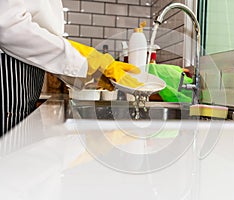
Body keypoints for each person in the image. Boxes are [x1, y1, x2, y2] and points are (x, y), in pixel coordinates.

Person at [0, 0, 143, 136]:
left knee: (15, 148)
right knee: (8, 149)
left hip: (26, 71)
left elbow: (41, 37)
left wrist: (87, 71)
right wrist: (84, 63)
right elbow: (8, 25)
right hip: (8, 71)